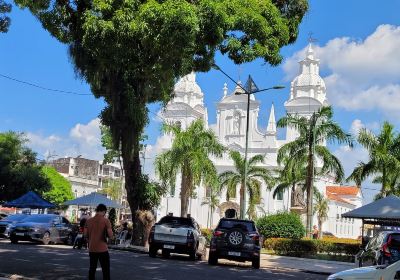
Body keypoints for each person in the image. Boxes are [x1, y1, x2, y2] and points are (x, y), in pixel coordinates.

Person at [84, 204, 113, 280]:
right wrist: (111, 237)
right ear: (103, 211)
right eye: (105, 212)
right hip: (103, 249)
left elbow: (85, 235)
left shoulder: (88, 221)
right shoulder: (106, 221)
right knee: (105, 269)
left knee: (92, 268)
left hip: (92, 248)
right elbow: (110, 235)